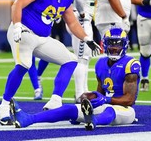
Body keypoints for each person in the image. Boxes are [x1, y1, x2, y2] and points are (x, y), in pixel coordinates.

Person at [0, 0, 101, 126]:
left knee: (71, 60)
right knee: (24, 64)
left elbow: (72, 22)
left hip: (42, 38)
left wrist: (87, 38)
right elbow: (17, 5)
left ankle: (55, 100)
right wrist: (16, 25)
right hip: (23, 31)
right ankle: (3, 105)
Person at [9, 27, 141, 131]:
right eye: (111, 43)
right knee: (69, 109)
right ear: (104, 44)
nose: (114, 47)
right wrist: (91, 99)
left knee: (109, 110)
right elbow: (99, 94)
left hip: (125, 111)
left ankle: (94, 121)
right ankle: (28, 119)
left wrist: (106, 99)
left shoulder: (130, 65)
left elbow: (129, 100)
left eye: (118, 44)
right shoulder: (100, 63)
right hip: (106, 106)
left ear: (125, 45)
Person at [0, 0, 47, 100]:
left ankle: (37, 76)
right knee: (28, 55)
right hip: (24, 19)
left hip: (42, 17)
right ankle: (37, 88)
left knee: (49, 54)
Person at [71, 0, 107, 103]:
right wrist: (82, 13)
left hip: (80, 20)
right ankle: (80, 94)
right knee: (82, 59)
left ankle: (83, 91)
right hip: (81, 21)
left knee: (84, 59)